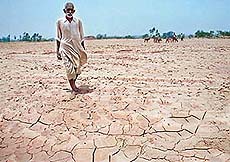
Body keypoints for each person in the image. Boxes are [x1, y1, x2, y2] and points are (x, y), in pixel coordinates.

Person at [56, 2, 87, 94]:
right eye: (67, 10)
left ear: (74, 11)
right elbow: (58, 37)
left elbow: (82, 37)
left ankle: (73, 83)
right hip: (65, 48)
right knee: (69, 68)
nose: (69, 12)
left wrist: (83, 48)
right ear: (64, 11)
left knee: (77, 68)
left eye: (71, 10)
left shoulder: (78, 22)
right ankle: (73, 87)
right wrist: (57, 51)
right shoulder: (59, 22)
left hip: (76, 47)